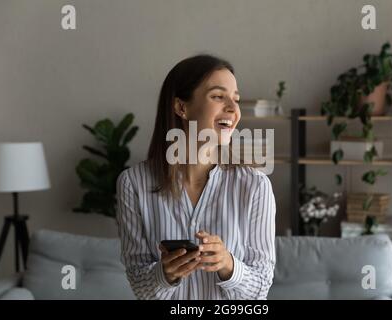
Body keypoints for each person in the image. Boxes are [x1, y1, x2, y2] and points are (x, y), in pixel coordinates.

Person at [116, 54, 276, 300]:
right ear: (181, 107)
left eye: (236, 99)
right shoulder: (134, 183)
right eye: (218, 96)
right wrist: (164, 274)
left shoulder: (255, 186)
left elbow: (261, 287)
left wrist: (228, 265)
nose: (233, 110)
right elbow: (139, 285)